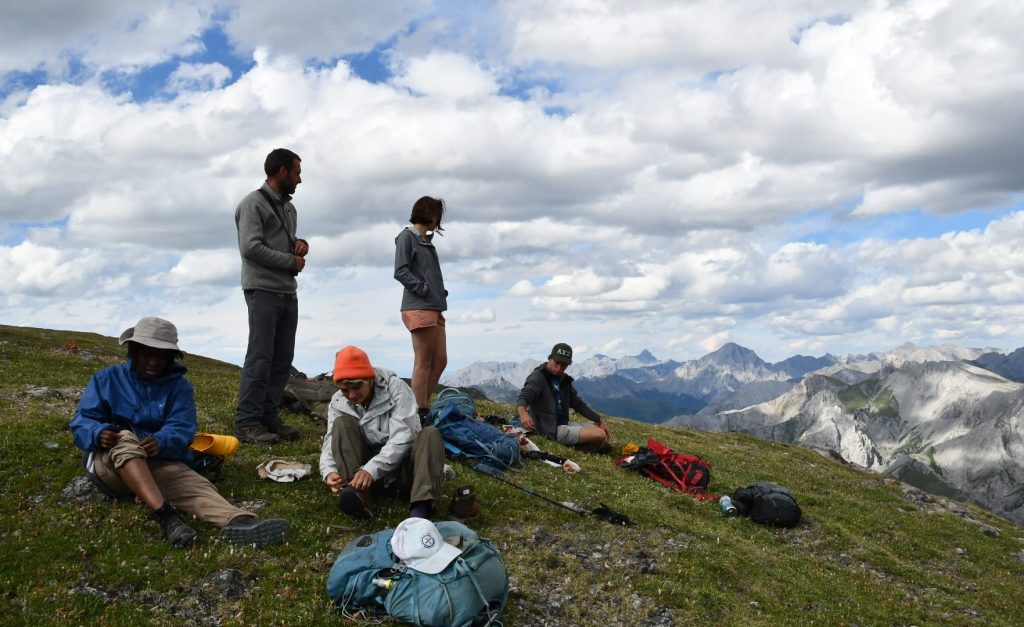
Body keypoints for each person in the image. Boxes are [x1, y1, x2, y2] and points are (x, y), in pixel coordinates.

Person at [69, 317, 290, 548]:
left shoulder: (179, 387)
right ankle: (166, 516)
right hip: (110, 466)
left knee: (193, 482)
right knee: (124, 437)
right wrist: (98, 433)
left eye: (162, 355)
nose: (154, 361)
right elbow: (82, 420)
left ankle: (240, 521)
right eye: (147, 353)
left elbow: (182, 427)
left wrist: (161, 441)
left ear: (171, 357)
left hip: (156, 461)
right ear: (134, 350)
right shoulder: (106, 379)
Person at [233, 147, 309, 444]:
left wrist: (299, 244)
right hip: (262, 290)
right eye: (297, 172)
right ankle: (247, 422)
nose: (299, 180)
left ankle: (267, 417)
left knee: (281, 359)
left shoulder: (289, 209)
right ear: (282, 171)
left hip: (286, 293)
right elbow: (249, 247)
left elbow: (282, 243)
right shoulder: (252, 204)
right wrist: (290, 262)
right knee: (260, 357)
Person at [319, 346, 445, 520]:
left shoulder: (396, 389)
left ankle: (420, 510)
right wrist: (329, 471)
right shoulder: (338, 401)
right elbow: (331, 439)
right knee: (341, 425)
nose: (352, 395)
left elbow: (404, 436)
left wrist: (371, 470)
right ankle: (359, 496)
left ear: (370, 379)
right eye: (345, 390)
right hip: (365, 477)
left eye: (356, 387)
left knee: (430, 434)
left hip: (405, 474)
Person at [394, 196, 448, 420]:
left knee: (440, 360)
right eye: (437, 214)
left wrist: (437, 291)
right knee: (424, 360)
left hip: (434, 306)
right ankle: (419, 410)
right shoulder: (407, 237)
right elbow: (401, 271)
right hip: (419, 306)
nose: (438, 220)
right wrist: (424, 288)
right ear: (430, 214)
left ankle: (421, 406)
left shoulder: (426, 241)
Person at [516, 342, 612, 453]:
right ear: (550, 358)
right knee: (600, 434)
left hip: (564, 424)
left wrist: (599, 419)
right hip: (549, 430)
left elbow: (578, 404)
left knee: (599, 429)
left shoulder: (563, 379)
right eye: (557, 363)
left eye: (564, 365)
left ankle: (584, 445)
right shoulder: (538, 377)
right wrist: (523, 415)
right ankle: (588, 447)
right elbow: (523, 397)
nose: (559, 368)